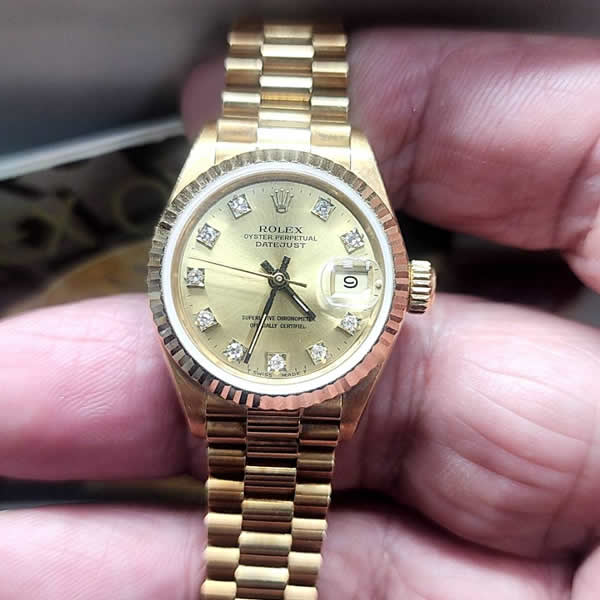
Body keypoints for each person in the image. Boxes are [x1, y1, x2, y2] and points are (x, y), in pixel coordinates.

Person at [1, 27, 599, 599]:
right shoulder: (231, 177)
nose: (280, 281)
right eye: (275, 278)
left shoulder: (346, 176)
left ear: (409, 287)